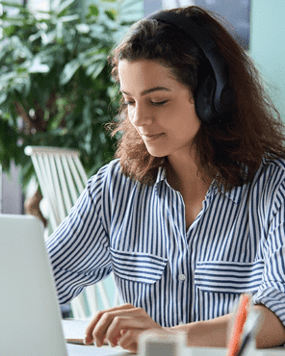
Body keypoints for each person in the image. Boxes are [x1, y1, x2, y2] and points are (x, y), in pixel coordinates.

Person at [46, 5, 285, 353]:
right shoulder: (114, 188)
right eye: (130, 101)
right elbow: (40, 285)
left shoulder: (275, 189)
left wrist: (166, 339)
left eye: (157, 101)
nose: (139, 118)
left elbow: (278, 314)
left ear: (211, 98)